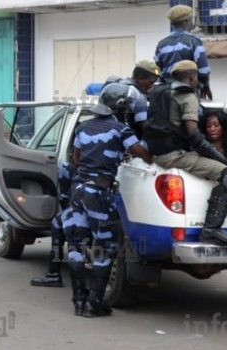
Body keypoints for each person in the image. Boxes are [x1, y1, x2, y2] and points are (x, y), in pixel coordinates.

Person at [64, 83, 152, 317]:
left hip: (78, 191)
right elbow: (140, 152)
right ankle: (94, 303)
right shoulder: (120, 129)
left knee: (76, 245)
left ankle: (79, 301)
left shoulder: (83, 127)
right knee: (106, 247)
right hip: (99, 194)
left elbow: (75, 159)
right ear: (120, 106)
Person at [143, 60, 227, 246]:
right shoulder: (187, 97)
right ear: (192, 76)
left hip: (159, 152)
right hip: (175, 155)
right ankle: (211, 228)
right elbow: (195, 137)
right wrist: (222, 160)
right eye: (197, 77)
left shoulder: (161, 92)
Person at [29, 162, 75, 287]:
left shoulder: (69, 168)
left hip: (82, 212)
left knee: (58, 224)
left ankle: (54, 274)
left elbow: (64, 198)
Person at [155, 5, 212, 100]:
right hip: (188, 91)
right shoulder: (194, 41)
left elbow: (157, 70)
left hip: (167, 92)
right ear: (186, 22)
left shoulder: (162, 44)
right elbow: (203, 70)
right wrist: (206, 86)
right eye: (191, 19)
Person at [110, 61, 161, 138]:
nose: (152, 86)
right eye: (151, 82)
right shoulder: (138, 94)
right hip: (128, 140)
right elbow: (143, 126)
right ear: (139, 78)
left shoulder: (119, 86)